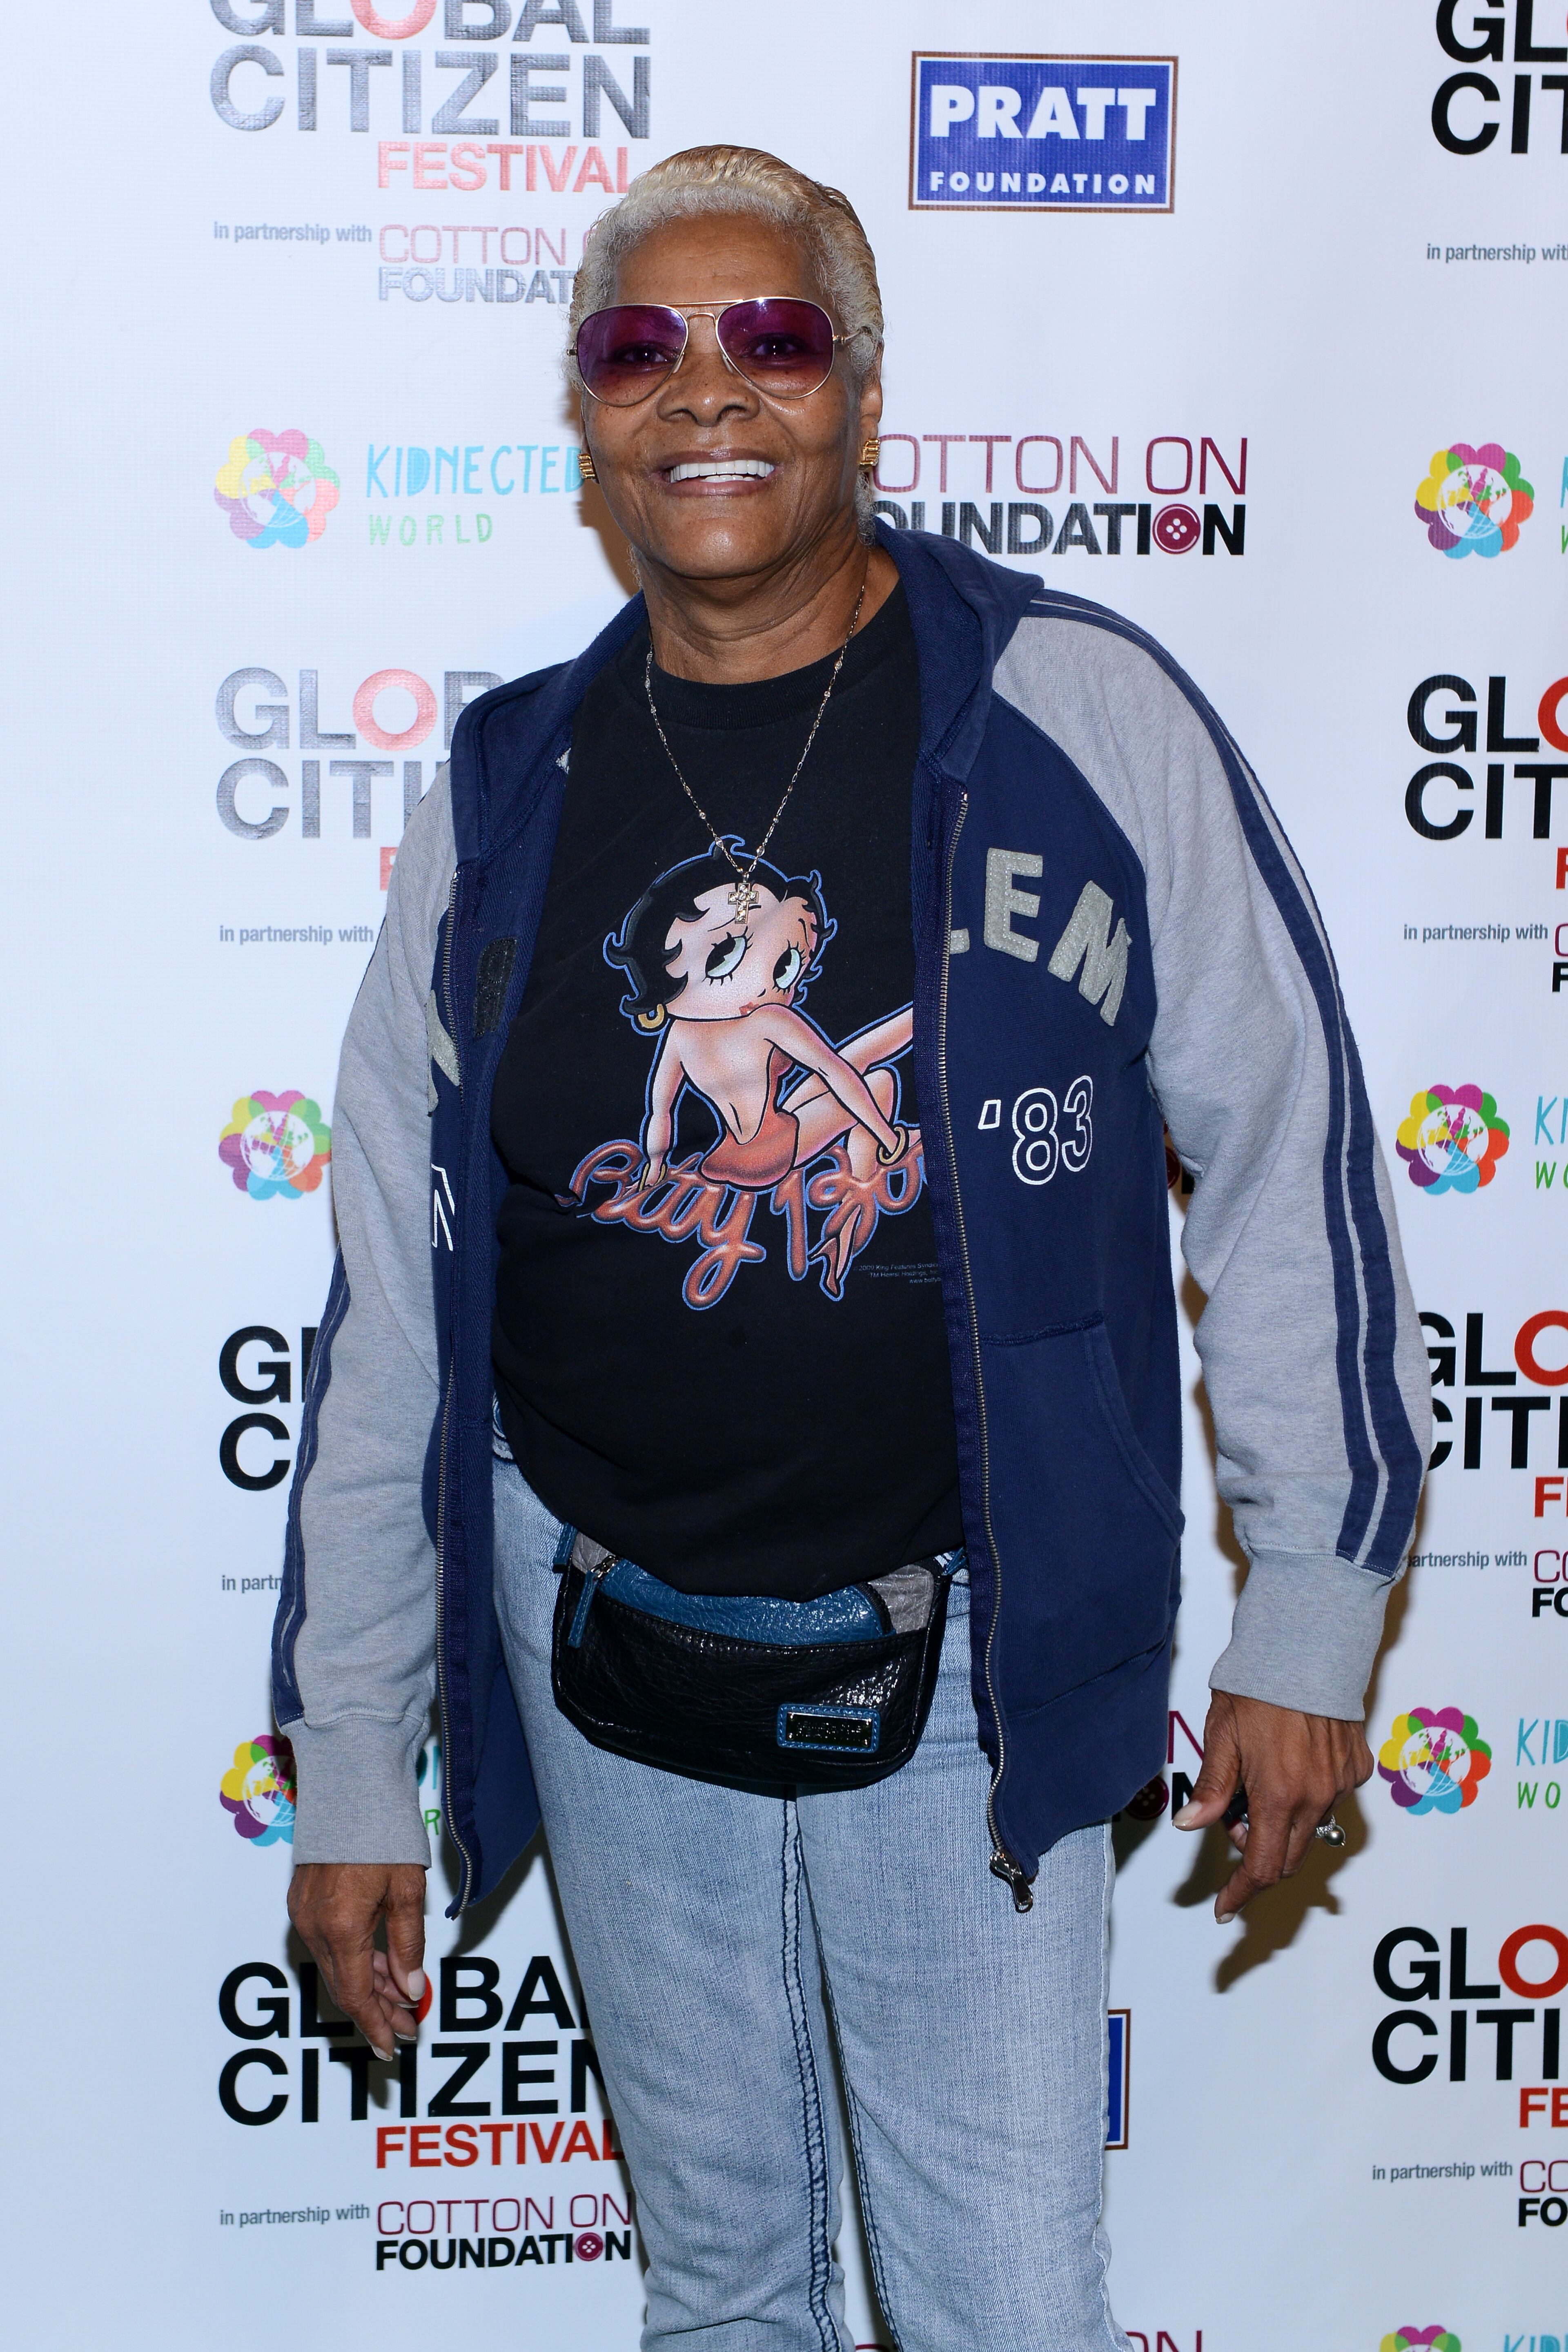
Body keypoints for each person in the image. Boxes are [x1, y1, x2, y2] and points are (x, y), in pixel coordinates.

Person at [277, 146, 1428, 2351]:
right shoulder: (505, 786)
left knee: (1004, 2300)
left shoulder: (1077, 712)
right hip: (594, 1623)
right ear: (588, 414)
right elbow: (394, 1308)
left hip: (970, 1640)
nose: (708, 388)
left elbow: (1287, 1148)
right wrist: (352, 1758)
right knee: (724, 2292)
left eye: (775, 337)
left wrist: (1309, 1608)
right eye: (643, 346)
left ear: (865, 395)